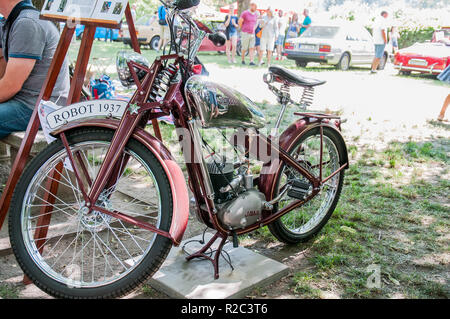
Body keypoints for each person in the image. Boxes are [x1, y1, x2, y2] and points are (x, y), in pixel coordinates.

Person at [0, 0, 69, 139]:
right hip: (25, 103)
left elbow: (10, 86)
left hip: (38, 108)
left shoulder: (27, 23)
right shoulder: (14, 20)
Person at [238, 1, 259, 66]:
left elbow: (255, 23)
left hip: (252, 34)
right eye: (254, 6)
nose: (255, 8)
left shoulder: (255, 14)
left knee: (252, 48)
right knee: (244, 48)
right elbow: (240, 22)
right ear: (251, 6)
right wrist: (243, 29)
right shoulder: (245, 13)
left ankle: (251, 61)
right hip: (245, 33)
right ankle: (243, 60)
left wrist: (254, 29)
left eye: (256, 7)